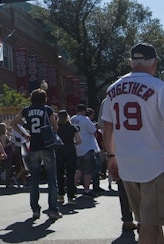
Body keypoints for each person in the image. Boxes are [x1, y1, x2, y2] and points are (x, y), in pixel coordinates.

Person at [101, 43, 164, 244]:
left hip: (127, 164)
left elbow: (107, 127)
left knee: (150, 220)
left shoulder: (113, 89)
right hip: (155, 164)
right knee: (150, 223)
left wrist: (111, 156)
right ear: (154, 62)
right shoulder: (159, 87)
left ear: (131, 62)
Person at [11, 88, 62, 221]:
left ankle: (35, 210)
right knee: (52, 180)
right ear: (44, 99)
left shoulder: (26, 110)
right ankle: (53, 210)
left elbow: (13, 123)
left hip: (33, 147)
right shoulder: (47, 109)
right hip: (47, 146)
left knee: (34, 180)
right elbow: (56, 127)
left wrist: (24, 135)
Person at [71, 103, 99, 196]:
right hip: (87, 147)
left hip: (76, 147)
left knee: (79, 169)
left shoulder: (72, 119)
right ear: (84, 111)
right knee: (88, 170)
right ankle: (86, 189)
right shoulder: (86, 119)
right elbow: (93, 130)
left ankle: (73, 186)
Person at [55, 110, 81, 204]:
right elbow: (79, 140)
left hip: (59, 151)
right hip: (70, 151)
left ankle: (60, 195)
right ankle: (70, 196)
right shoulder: (72, 127)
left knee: (59, 173)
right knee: (70, 174)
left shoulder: (56, 127)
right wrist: (73, 143)